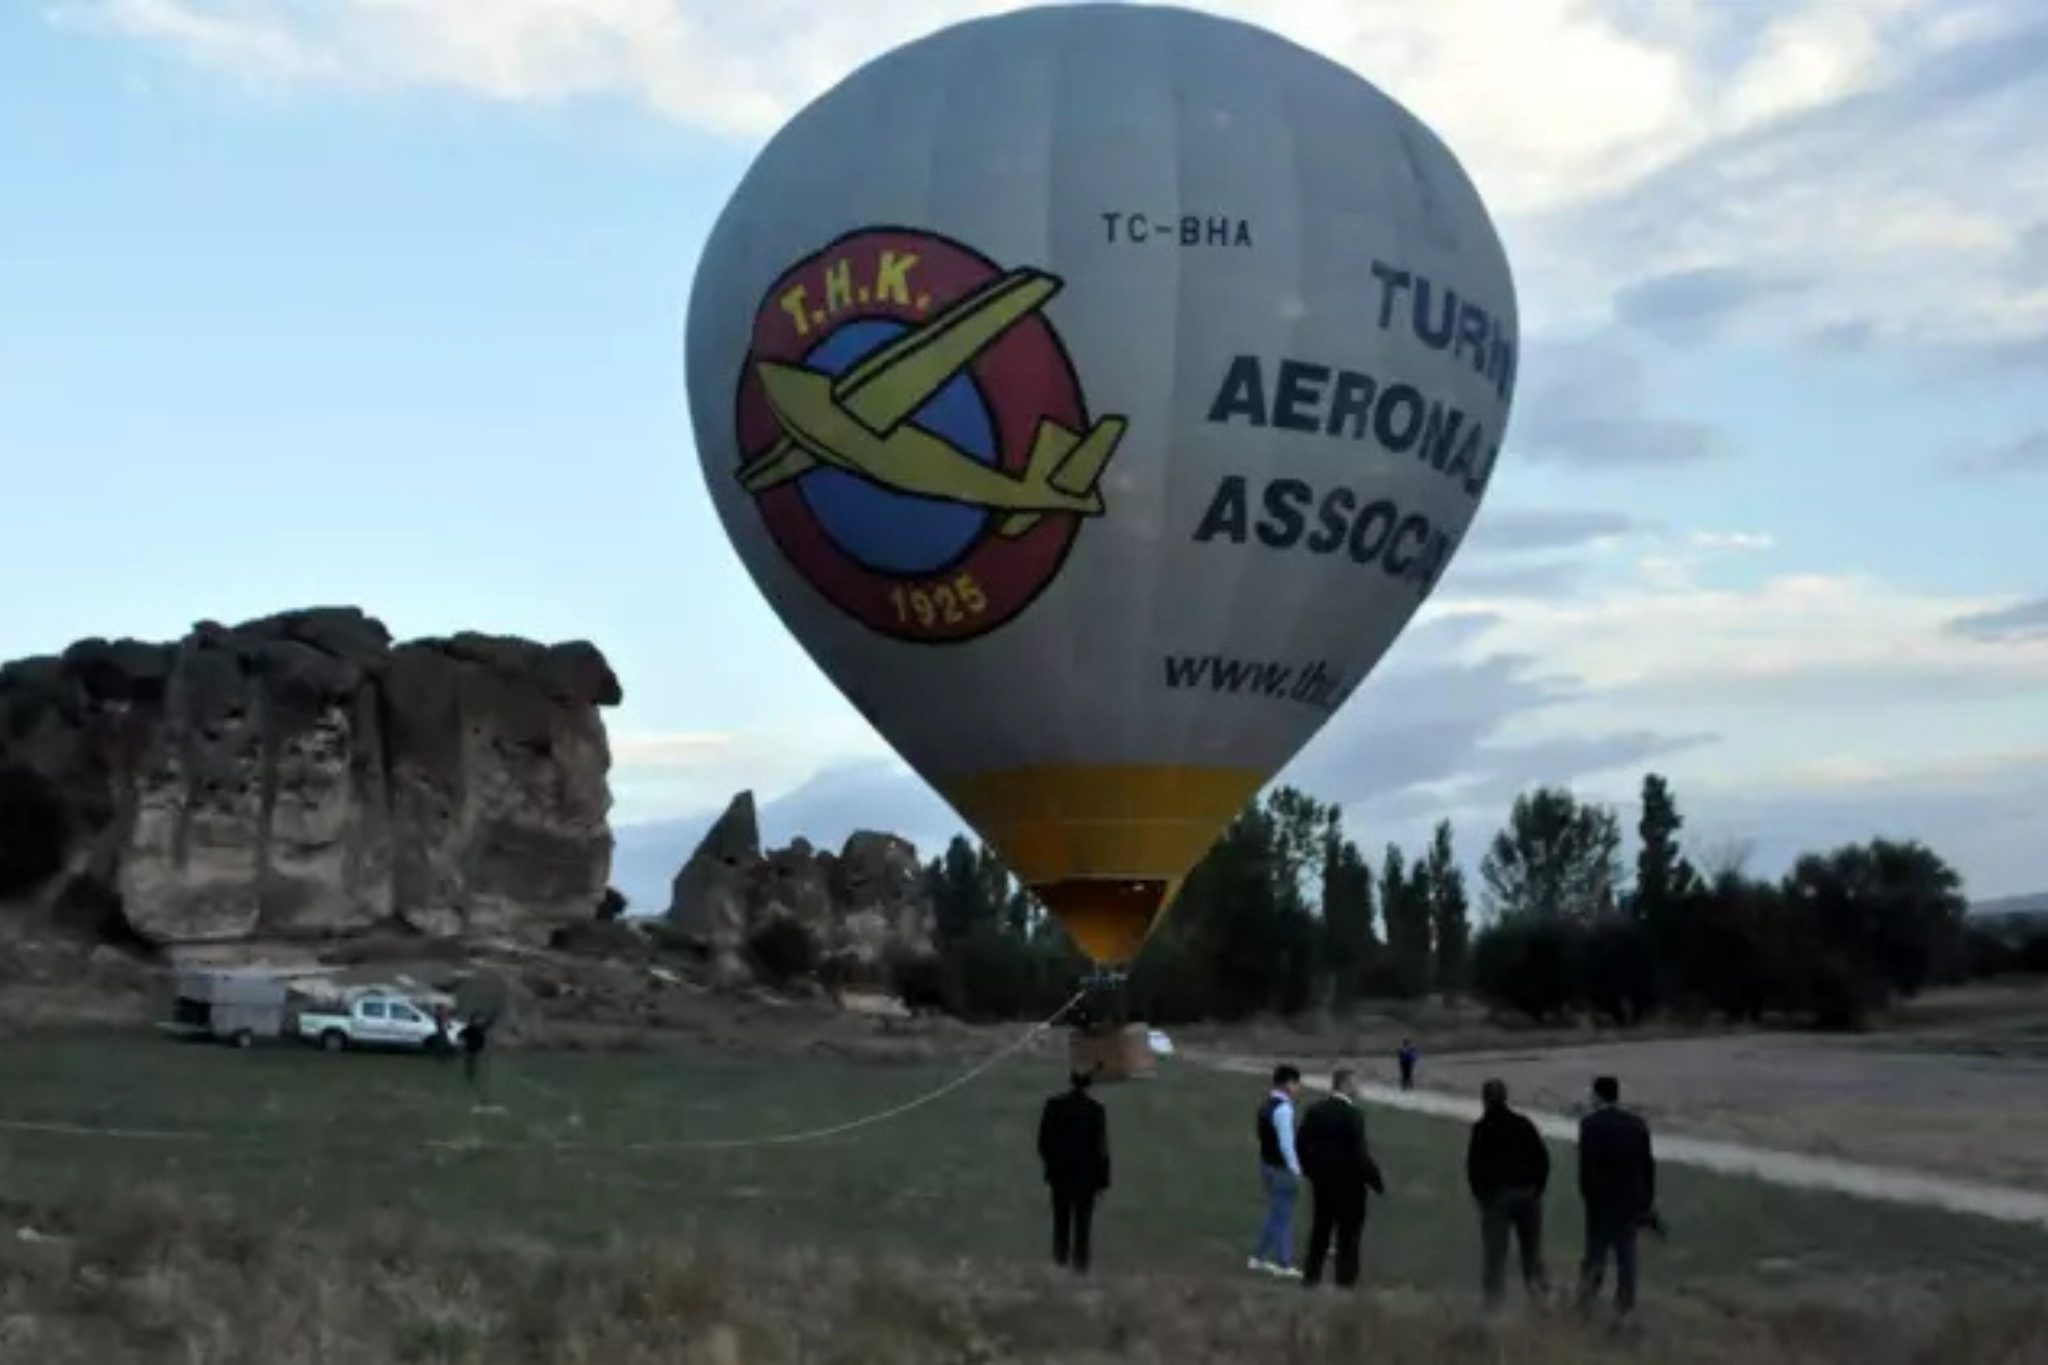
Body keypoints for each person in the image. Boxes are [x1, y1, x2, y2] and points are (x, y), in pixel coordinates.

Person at [1575, 1075, 1657, 1318]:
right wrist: (1646, 1200)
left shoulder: (1589, 1125)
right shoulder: (1637, 1124)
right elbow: (1647, 1166)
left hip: (1600, 1200)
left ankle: (1586, 1301)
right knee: (1627, 1256)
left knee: (1595, 1255)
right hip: (1630, 1199)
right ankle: (1625, 1305)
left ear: (1597, 1096)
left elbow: (1586, 1167)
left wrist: (1587, 1195)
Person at [1297, 1067, 1385, 1290]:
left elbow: (1300, 1145)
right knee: (1348, 1237)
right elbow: (1359, 1154)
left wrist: (1310, 1171)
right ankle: (1345, 1283)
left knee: (1320, 1233)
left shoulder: (1315, 1111)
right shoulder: (1353, 1115)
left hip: (1323, 1183)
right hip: (1350, 1186)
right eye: (1356, 1083)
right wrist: (1376, 1180)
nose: (1359, 1088)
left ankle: (1311, 1279)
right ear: (1345, 1085)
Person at [1466, 1077, 1551, 1308]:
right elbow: (1542, 1159)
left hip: (1497, 1198)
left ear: (1484, 1100)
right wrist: (1537, 1188)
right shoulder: (1523, 1124)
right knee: (1532, 1254)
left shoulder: (1482, 1129)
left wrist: (1482, 1197)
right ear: (1505, 1098)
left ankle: (1494, 1306)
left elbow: (1474, 1168)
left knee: (1495, 1255)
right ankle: (1541, 1301)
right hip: (1528, 1195)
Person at [1036, 1069, 1111, 1273]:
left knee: (1061, 1222)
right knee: (1082, 1225)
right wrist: (1103, 1180)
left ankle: (1060, 1260)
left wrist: (1050, 1166)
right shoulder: (1095, 1110)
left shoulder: (1054, 1106)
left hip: (1060, 1175)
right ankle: (1080, 1265)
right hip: (1086, 1178)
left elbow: (1043, 1142)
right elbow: (1101, 1149)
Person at [1248, 1064, 1304, 1277]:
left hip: (1267, 1165)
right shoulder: (1284, 1109)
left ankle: (1258, 1257)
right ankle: (1284, 1263)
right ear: (1288, 1083)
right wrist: (1296, 1169)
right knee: (1284, 1218)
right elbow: (1287, 1144)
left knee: (1275, 1214)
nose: (1298, 1088)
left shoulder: (1265, 1106)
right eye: (1297, 1083)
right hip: (1282, 1168)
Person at [460, 1011, 491, 1098]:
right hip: (470, 1052)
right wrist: (462, 1044)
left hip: (477, 1052)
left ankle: (473, 1083)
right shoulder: (470, 1029)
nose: (479, 1021)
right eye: (477, 1020)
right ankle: (470, 1083)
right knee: (470, 1068)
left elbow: (487, 1025)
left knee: (476, 1069)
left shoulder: (480, 1028)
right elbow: (461, 1035)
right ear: (472, 1020)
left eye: (480, 1019)